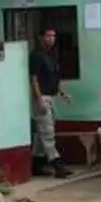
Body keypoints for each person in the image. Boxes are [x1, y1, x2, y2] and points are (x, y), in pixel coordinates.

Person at [29, 27, 72, 179]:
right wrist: (39, 98)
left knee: (42, 133)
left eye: (53, 36)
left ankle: (36, 163)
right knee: (48, 132)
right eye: (48, 36)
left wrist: (63, 93)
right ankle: (57, 164)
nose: (51, 39)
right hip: (42, 97)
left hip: (52, 96)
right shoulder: (36, 55)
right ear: (41, 37)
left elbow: (55, 77)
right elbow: (33, 79)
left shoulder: (52, 55)